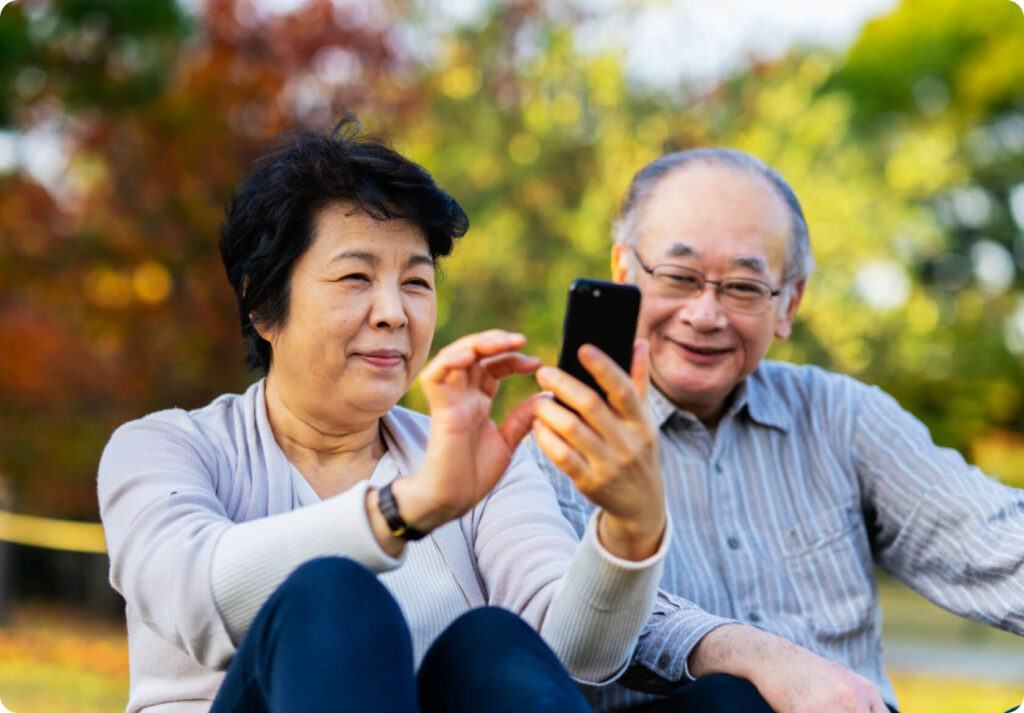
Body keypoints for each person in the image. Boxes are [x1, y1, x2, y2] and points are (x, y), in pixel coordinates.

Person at [97, 117, 670, 713]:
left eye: (416, 282)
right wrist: (411, 506)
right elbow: (194, 596)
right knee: (332, 592)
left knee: (496, 641)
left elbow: (568, 654)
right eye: (355, 277)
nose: (394, 312)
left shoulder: (483, 459)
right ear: (263, 305)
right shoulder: (162, 447)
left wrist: (632, 525)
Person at [531, 147, 1024, 713]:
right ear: (624, 273)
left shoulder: (841, 415)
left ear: (789, 304)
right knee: (729, 699)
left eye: (742, 287)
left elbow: (992, 540)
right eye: (679, 276)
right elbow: (575, 629)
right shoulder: (547, 449)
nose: (705, 314)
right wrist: (758, 656)